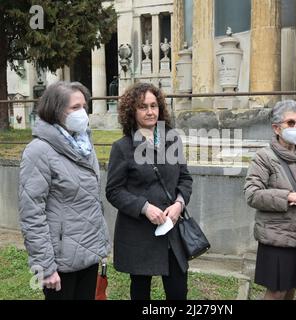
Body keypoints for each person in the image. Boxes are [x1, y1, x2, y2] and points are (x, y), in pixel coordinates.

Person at [19, 81, 111, 300]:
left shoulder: (83, 143)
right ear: (56, 111)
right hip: (59, 261)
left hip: (88, 253)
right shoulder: (39, 151)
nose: (83, 113)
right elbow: (32, 214)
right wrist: (45, 266)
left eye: (84, 106)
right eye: (75, 107)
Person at [106, 82, 193, 300]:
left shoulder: (172, 139)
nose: (150, 111)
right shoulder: (122, 147)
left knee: (178, 291)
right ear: (132, 112)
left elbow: (185, 178)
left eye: (154, 105)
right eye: (143, 107)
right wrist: (144, 208)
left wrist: (179, 204)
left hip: (171, 229)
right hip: (139, 232)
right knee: (141, 291)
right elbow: (114, 191)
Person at [244, 100, 296, 300]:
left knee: (295, 288)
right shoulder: (263, 157)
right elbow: (252, 194)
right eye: (291, 123)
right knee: (276, 293)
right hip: (277, 238)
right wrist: (288, 196)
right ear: (276, 127)